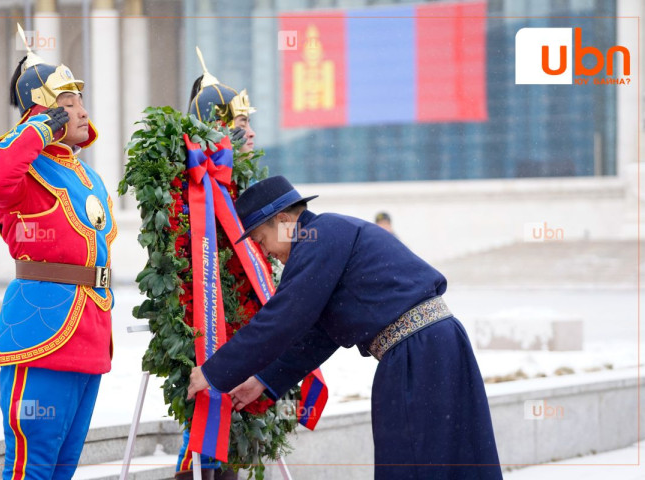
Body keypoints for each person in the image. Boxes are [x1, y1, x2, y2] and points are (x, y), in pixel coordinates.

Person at [188, 176, 503, 479]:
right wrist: (263, 379)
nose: (265, 252)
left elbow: (282, 318)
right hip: (436, 345)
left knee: (413, 458)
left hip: (417, 354)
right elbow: (321, 336)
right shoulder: (329, 236)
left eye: (262, 240)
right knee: (454, 458)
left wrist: (213, 371)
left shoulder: (318, 236)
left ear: (284, 221)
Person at [0, 49, 115, 479]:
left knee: (63, 466)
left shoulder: (84, 173)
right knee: (31, 466)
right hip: (42, 331)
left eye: (80, 101)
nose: (82, 111)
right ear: (44, 111)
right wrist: (37, 130)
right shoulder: (22, 164)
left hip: (88, 330)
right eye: (68, 103)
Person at [174, 49, 257, 480]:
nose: (252, 134)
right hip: (206, 326)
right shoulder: (193, 188)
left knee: (239, 442)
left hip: (245, 327)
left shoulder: (244, 186)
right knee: (208, 440)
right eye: (242, 126)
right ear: (219, 128)